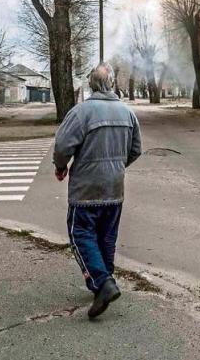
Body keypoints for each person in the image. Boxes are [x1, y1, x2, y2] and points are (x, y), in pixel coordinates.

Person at [53, 63, 142, 319]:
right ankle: (103, 281)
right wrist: (116, 166)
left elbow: (62, 145)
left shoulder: (82, 112)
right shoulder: (127, 113)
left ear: (91, 84)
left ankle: (103, 283)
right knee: (106, 236)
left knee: (80, 234)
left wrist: (61, 167)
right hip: (114, 188)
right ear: (112, 83)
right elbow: (135, 149)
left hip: (86, 189)